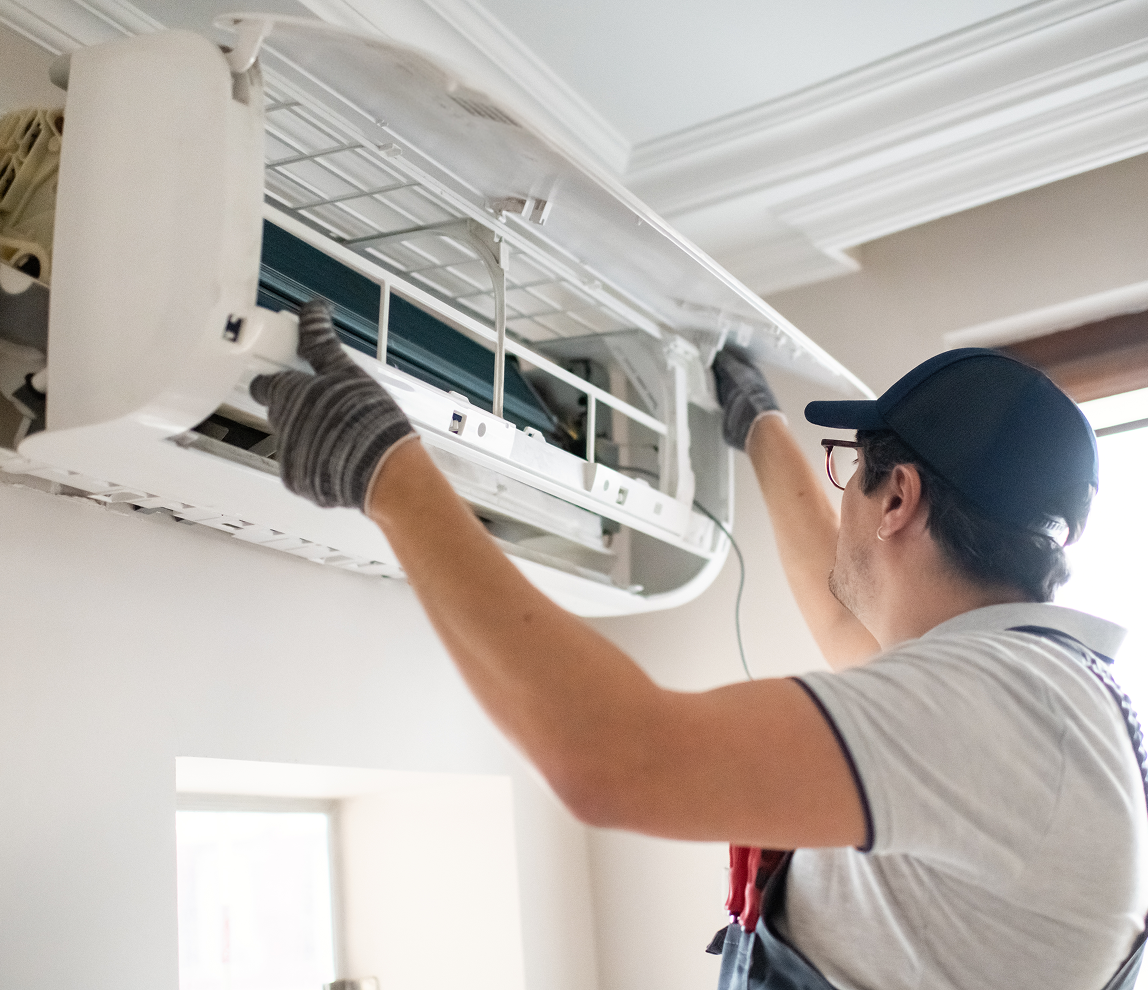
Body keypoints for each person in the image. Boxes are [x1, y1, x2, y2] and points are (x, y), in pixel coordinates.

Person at [250, 300, 1147, 990]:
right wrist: (756, 423)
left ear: (897, 498)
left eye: (851, 475)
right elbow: (840, 617)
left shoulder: (1003, 707)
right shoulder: (1033, 697)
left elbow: (614, 758)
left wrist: (387, 475)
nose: (842, 506)